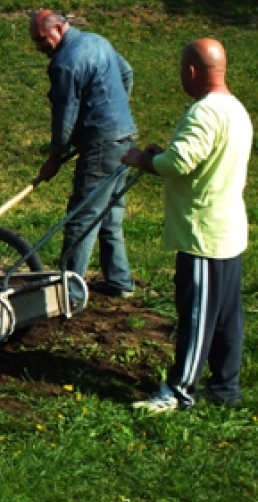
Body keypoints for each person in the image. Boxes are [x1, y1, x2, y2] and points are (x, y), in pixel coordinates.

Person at [123, 38, 252, 412]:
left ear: (192, 71)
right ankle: (225, 387)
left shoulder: (205, 112)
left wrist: (141, 160)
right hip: (228, 230)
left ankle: (179, 391)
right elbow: (197, 159)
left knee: (196, 316)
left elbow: (179, 163)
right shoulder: (236, 109)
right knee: (227, 317)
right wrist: (162, 155)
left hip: (203, 234)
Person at [29, 9, 137, 301]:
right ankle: (120, 281)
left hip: (102, 146)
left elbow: (65, 116)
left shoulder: (64, 64)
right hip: (125, 139)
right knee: (110, 215)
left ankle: (71, 293)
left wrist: (54, 156)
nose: (39, 48)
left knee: (81, 218)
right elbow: (127, 72)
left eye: (42, 40)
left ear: (59, 29)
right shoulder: (97, 41)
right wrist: (114, 114)